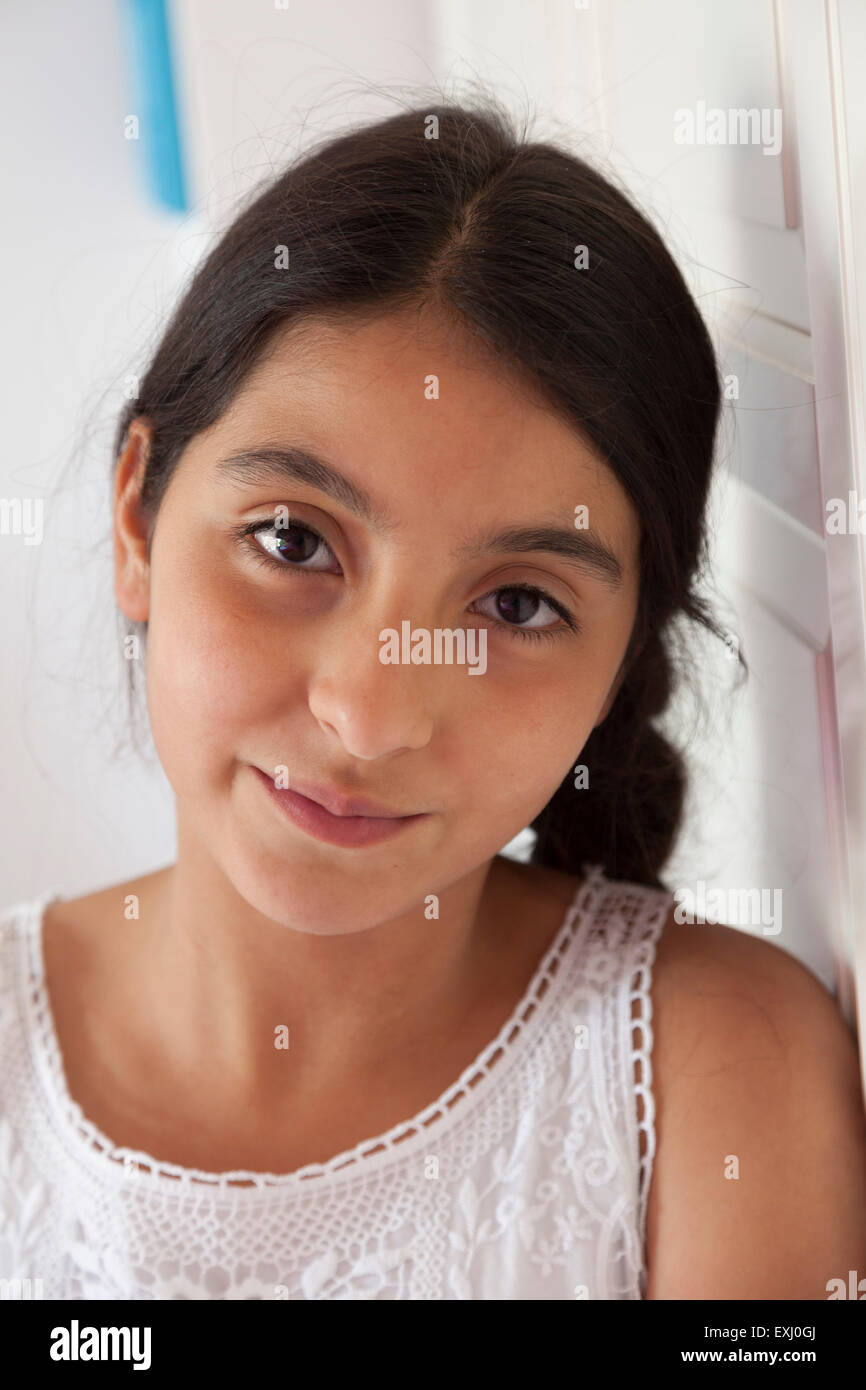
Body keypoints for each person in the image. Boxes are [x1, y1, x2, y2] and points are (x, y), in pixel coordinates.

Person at [2, 96, 865, 1301]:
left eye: (515, 606)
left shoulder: (715, 1072)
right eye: (292, 539)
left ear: (621, 658)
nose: (368, 712)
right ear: (137, 514)